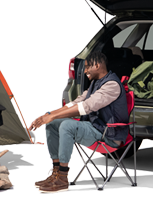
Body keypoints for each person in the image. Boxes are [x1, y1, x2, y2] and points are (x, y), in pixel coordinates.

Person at [27, 51, 129, 193]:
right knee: (53, 124)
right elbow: (77, 102)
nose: (85, 71)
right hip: (97, 127)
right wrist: (49, 115)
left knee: (67, 125)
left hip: (109, 134)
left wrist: (53, 116)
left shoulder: (111, 85)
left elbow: (86, 107)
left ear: (97, 65)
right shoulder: (96, 83)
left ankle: (62, 177)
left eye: (87, 67)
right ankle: (56, 172)